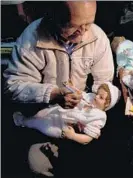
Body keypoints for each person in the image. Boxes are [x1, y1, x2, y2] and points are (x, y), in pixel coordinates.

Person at [3, 1, 115, 176]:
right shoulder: (31, 39)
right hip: (42, 117)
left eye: (88, 23)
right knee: (36, 166)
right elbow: (12, 88)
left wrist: (92, 108)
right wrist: (52, 94)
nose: (84, 32)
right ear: (54, 16)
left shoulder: (97, 37)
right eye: (74, 26)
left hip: (82, 122)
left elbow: (105, 84)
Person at [13, 82, 120, 144]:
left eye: (101, 97)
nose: (96, 96)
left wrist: (73, 136)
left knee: (41, 125)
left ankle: (24, 122)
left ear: (107, 105)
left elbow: (88, 138)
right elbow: (80, 94)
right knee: (42, 113)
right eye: (97, 93)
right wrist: (71, 87)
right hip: (59, 111)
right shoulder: (91, 97)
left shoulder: (99, 117)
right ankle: (30, 118)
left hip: (61, 126)